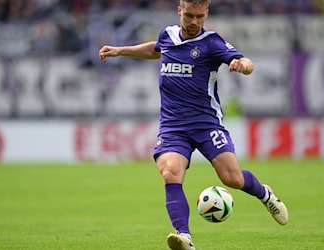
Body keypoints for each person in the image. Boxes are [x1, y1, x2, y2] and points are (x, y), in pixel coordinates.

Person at [99, 0, 288, 249]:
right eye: (189, 16)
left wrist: (243, 66)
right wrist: (121, 50)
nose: (194, 22)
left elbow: (246, 61)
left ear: (207, 13)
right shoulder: (167, 34)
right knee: (170, 172)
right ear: (180, 11)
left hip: (206, 123)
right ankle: (184, 236)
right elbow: (156, 50)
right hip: (173, 126)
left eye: (200, 16)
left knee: (232, 178)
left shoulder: (212, 42)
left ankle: (264, 194)